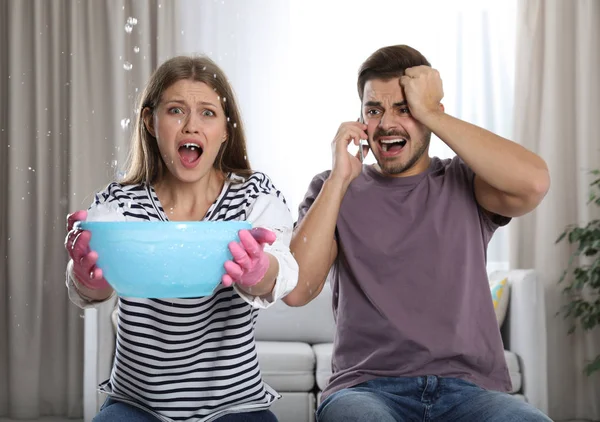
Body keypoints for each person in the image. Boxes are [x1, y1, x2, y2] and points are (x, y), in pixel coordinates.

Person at [285, 45, 552, 421]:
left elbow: (535, 183)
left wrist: (430, 112)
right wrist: (340, 177)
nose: (387, 123)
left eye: (404, 108)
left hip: (470, 392)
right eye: (374, 110)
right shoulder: (334, 188)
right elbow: (298, 289)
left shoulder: (466, 181)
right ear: (360, 120)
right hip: (366, 390)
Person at [64, 55, 299, 422]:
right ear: (151, 122)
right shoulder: (119, 203)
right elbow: (91, 290)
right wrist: (86, 276)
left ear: (225, 130)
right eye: (176, 110)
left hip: (236, 407)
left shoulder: (254, 197)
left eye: (208, 113)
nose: (191, 126)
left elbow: (284, 270)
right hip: (135, 405)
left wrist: (259, 271)